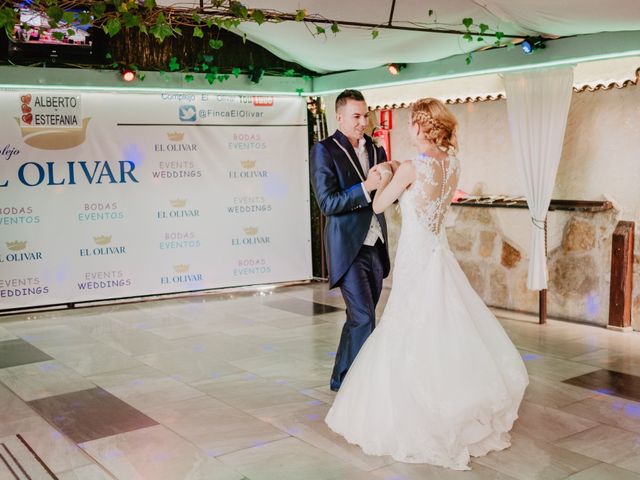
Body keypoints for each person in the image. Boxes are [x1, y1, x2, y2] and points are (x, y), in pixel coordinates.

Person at [325, 98, 529, 470]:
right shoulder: (453, 163)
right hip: (438, 250)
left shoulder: (411, 167)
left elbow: (377, 206)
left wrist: (385, 176)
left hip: (417, 255)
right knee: (444, 325)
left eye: (412, 125)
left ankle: (416, 409)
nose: (409, 131)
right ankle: (455, 398)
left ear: (421, 127)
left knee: (408, 324)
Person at [309, 89, 391, 392]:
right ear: (339, 117)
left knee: (358, 317)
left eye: (365, 115)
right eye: (356, 116)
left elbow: (385, 194)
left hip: (375, 245)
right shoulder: (324, 150)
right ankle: (360, 388)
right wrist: (365, 187)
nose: (363, 122)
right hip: (347, 248)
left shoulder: (375, 148)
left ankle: (340, 378)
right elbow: (327, 203)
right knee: (364, 318)